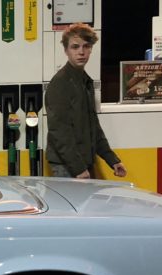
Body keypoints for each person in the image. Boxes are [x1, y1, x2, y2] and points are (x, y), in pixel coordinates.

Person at [46, 23, 126, 179]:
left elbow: (93, 126)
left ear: (91, 49)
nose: (81, 52)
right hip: (67, 165)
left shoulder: (85, 81)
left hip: (83, 161)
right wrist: (78, 169)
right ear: (66, 50)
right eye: (75, 47)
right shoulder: (60, 83)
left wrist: (112, 160)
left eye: (86, 46)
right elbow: (59, 132)